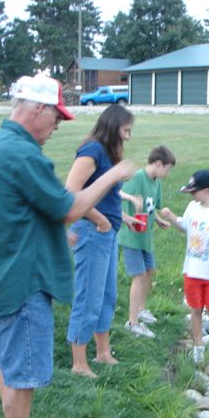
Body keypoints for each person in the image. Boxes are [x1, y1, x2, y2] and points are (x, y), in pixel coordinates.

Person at [0, 75, 135, 418]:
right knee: (22, 380)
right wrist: (112, 175)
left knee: (10, 367)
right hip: (23, 283)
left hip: (1, 276)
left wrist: (54, 235)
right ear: (38, 108)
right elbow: (69, 209)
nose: (58, 126)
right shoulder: (21, 154)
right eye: (57, 117)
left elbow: (14, 212)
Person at [65, 104, 141, 378]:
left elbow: (104, 196)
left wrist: (123, 218)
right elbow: (70, 194)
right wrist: (100, 221)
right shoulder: (92, 150)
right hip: (91, 232)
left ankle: (102, 353)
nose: (128, 137)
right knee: (89, 296)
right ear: (112, 127)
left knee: (107, 295)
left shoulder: (107, 154)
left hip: (107, 233)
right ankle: (79, 363)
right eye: (125, 130)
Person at [160, 170, 209, 363]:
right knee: (195, 310)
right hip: (193, 270)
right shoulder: (192, 207)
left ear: (207, 191)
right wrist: (171, 217)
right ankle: (198, 346)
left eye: (194, 191)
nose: (191, 195)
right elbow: (184, 226)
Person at [119, 145, 176, 338]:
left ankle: (141, 309)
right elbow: (116, 196)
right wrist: (129, 207)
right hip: (131, 236)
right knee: (139, 275)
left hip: (146, 238)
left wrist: (158, 220)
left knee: (149, 270)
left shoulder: (156, 182)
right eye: (168, 168)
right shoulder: (137, 178)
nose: (168, 173)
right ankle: (132, 322)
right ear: (159, 164)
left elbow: (151, 207)